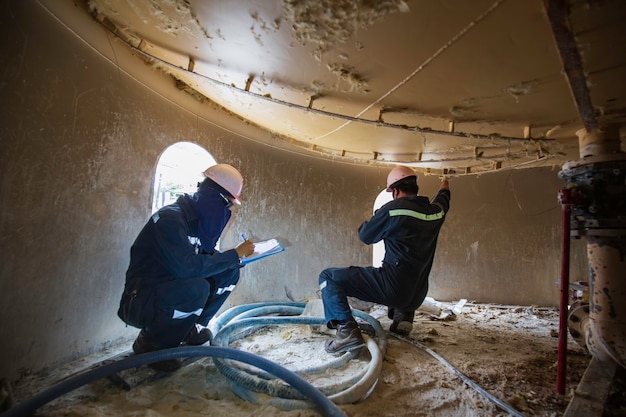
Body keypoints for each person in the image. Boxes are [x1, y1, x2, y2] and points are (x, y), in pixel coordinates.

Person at [117, 163, 255, 371]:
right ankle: (151, 342)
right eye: (226, 203)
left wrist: (234, 260)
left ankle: (191, 328)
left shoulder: (195, 222)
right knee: (196, 288)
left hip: (169, 290)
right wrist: (233, 254)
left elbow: (205, 258)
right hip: (140, 301)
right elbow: (187, 267)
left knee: (229, 272)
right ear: (213, 197)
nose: (227, 211)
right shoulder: (170, 219)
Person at [319, 166, 450, 354]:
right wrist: (445, 182)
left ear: (395, 191)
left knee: (328, 277)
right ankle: (403, 316)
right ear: (415, 186)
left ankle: (346, 332)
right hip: (417, 294)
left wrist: (380, 215)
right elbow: (444, 200)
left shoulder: (392, 210)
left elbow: (365, 236)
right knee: (406, 271)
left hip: (392, 289)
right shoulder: (434, 212)